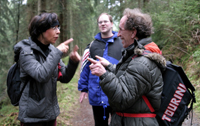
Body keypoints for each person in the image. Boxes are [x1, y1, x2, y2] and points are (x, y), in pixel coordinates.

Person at [87, 8, 166, 126]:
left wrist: (104, 74)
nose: (118, 34)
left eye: (120, 29)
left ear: (133, 33)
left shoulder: (142, 62)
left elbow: (122, 98)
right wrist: (108, 66)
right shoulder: (136, 55)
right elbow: (128, 78)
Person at [14, 12, 81, 126]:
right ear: (42, 30)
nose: (58, 31)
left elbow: (64, 77)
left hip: (50, 115)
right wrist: (57, 52)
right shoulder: (25, 52)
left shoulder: (51, 50)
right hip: (32, 119)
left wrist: (73, 63)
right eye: (54, 28)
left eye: (58, 27)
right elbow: (41, 75)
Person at [78, 13, 123, 126]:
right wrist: (83, 88)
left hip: (116, 93)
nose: (103, 24)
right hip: (97, 94)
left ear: (112, 24)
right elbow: (85, 68)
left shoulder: (122, 43)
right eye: (100, 22)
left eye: (105, 21)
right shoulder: (92, 46)